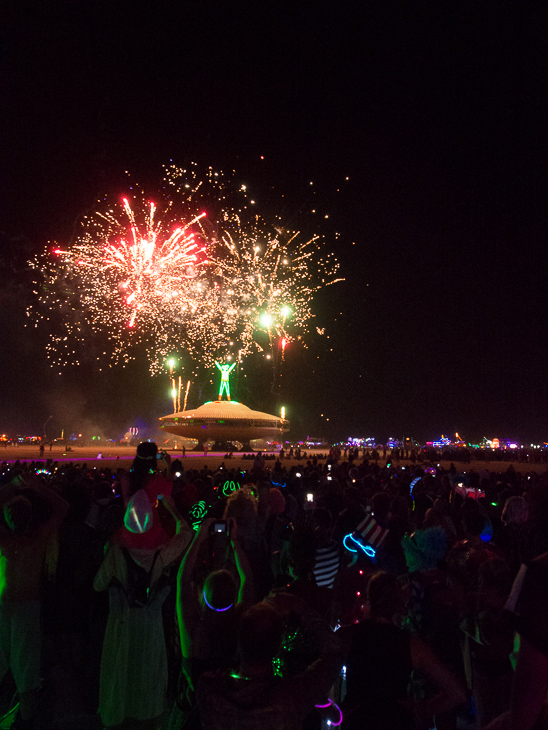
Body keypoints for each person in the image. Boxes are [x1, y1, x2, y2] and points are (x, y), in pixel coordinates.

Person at [94, 472, 191, 729]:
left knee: (119, 672)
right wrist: (172, 509)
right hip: (149, 621)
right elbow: (187, 533)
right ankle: (147, 716)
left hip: (122, 622)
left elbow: (98, 584)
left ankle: (117, 715)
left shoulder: (117, 551)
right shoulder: (159, 555)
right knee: (147, 671)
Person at [341, 572, 466, 730]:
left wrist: (334, 712)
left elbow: (315, 679)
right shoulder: (411, 644)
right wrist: (421, 709)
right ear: (397, 602)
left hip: (358, 723)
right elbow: (457, 693)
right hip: (396, 722)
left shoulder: (347, 636)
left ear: (367, 598)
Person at [196, 600, 343, 730]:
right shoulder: (292, 697)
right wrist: (301, 607)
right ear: (278, 647)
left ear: (239, 643)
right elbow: (336, 651)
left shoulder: (208, 688)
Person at [0, 473, 69, 729]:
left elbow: (64, 508)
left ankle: (25, 722)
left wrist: (15, 487)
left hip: (17, 609)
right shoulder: (31, 540)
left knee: (27, 677)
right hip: (18, 609)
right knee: (25, 676)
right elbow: (62, 508)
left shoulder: (21, 540)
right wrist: (35, 488)